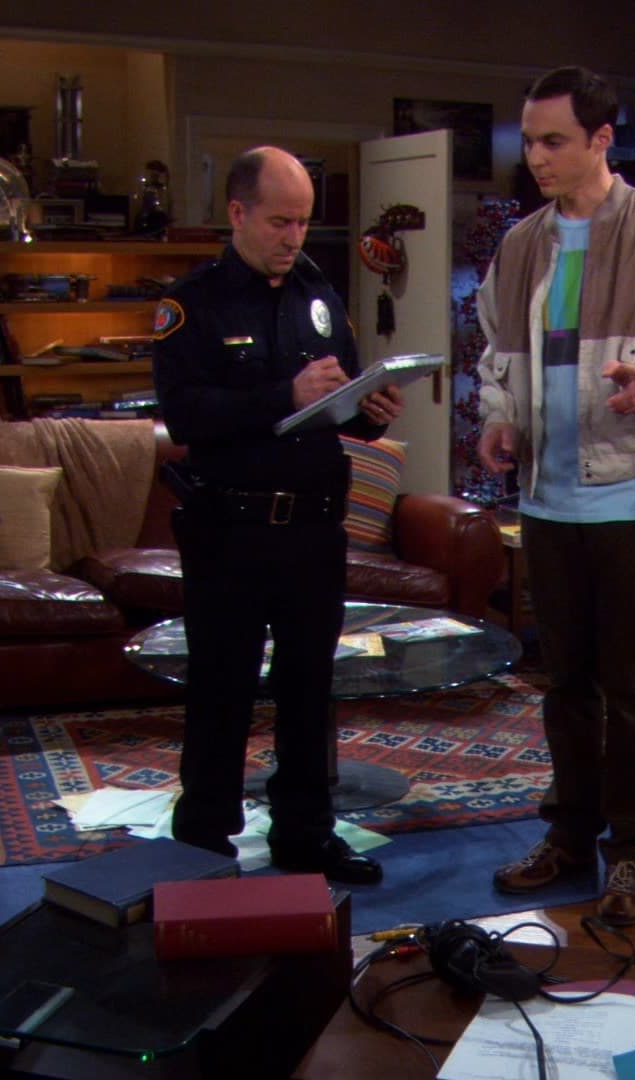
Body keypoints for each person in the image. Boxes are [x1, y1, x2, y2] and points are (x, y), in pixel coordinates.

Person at [475, 67, 635, 925]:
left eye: (554, 141)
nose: (537, 157)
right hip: (547, 499)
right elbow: (500, 354)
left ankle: (630, 854)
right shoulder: (522, 244)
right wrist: (501, 416)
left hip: (631, 498)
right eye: (530, 141)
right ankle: (568, 835)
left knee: (628, 688)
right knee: (564, 684)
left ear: (602, 139)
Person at [152, 146, 404, 886]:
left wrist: (370, 410)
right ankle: (204, 840)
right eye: (280, 221)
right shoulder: (192, 303)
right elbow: (186, 414)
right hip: (229, 529)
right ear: (238, 213)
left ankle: (305, 833)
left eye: (303, 222)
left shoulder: (317, 292)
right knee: (222, 687)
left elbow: (337, 402)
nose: (295, 237)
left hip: (313, 529)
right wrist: (282, 397)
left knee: (308, 687)